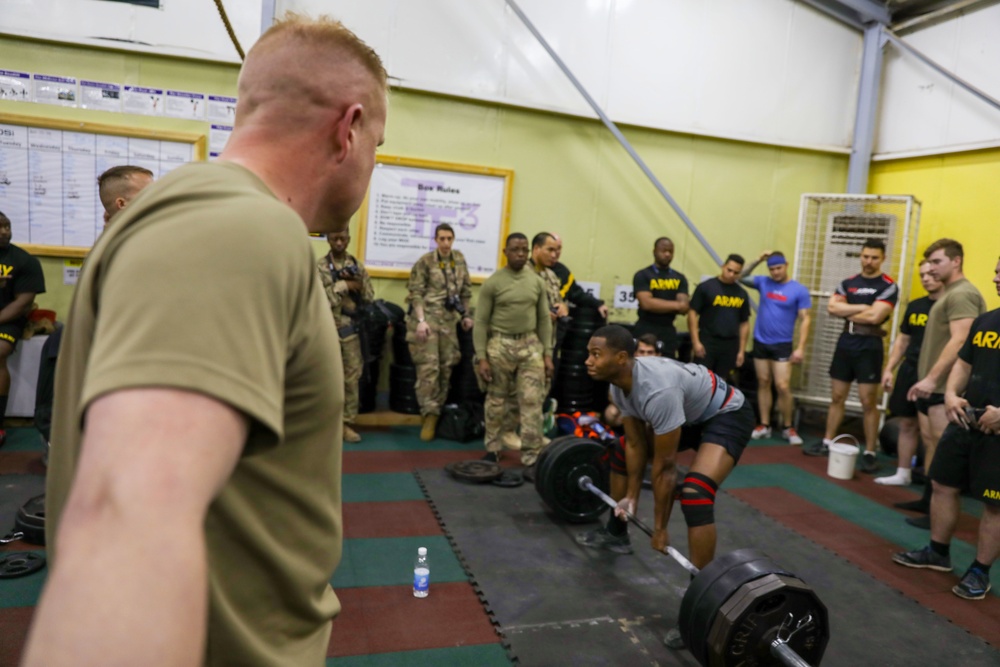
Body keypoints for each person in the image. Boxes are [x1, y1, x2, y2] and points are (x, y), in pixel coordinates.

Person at [24, 14, 388, 667]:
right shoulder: (241, 228)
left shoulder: (220, 219)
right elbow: (127, 524)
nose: (371, 164)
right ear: (349, 127)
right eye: (378, 146)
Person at [580, 324, 754, 648]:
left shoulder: (656, 390)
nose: (587, 360)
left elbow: (664, 468)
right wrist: (630, 499)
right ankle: (616, 532)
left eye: (595, 354)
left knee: (696, 493)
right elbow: (634, 444)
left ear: (620, 358)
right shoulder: (618, 385)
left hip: (726, 413)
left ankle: (700, 604)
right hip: (690, 412)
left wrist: (660, 528)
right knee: (620, 448)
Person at [892, 257, 1000, 601]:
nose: (995, 277)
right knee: (941, 483)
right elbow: (964, 363)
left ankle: (979, 572)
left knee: (995, 505)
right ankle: (937, 552)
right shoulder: (987, 321)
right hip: (966, 418)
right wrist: (952, 394)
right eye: (995, 269)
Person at [900, 239, 986, 527]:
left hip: (943, 388)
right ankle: (929, 503)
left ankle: (937, 514)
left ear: (956, 261)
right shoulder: (949, 294)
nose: (931, 269)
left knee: (941, 450)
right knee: (930, 443)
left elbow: (962, 340)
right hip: (933, 386)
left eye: (937, 262)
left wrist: (933, 378)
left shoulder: (962, 294)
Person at [805, 239, 897, 473]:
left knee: (868, 402)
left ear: (882, 258)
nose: (868, 261)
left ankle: (869, 452)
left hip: (870, 345)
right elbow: (832, 308)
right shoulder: (848, 283)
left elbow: (876, 317)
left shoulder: (888, 286)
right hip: (846, 342)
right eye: (865, 256)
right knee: (837, 396)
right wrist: (865, 308)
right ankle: (827, 441)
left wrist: (852, 309)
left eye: (874, 257)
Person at [474, 233, 554, 470]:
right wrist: (482, 358)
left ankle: (531, 455)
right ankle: (493, 448)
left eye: (524, 250)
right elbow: (480, 322)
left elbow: (543, 319)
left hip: (530, 345)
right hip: (500, 345)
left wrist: (547, 354)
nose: (520, 254)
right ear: (505, 252)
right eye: (515, 249)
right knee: (496, 400)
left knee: (531, 401)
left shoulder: (537, 282)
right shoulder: (494, 283)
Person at [877, 262, 943, 486]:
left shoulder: (948, 307)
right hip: (909, 370)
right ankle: (903, 472)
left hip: (932, 374)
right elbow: (903, 340)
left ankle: (931, 482)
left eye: (930, 274)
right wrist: (889, 369)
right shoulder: (915, 306)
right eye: (922, 275)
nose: (926, 278)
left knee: (928, 432)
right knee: (906, 424)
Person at [406, 223, 473, 441]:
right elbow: (415, 293)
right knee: (429, 368)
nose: (445, 243)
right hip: (428, 319)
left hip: (449, 320)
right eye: (442, 238)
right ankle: (429, 414)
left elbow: (465, 291)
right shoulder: (425, 262)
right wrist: (421, 320)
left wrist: (466, 316)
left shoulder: (460, 260)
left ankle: (437, 408)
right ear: (435, 240)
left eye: (449, 239)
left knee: (447, 366)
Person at [740, 251, 812, 445]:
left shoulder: (798, 290)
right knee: (763, 381)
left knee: (782, 386)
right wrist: (758, 259)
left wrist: (800, 348)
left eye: (778, 268)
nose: (775, 273)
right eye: (771, 269)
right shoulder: (763, 282)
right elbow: (741, 276)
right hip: (761, 341)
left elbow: (805, 319)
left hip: (783, 344)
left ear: (786, 265)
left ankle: (788, 427)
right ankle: (764, 425)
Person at [318, 229, 374, 444]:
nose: (339, 243)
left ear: (349, 239)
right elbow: (315, 299)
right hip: (325, 330)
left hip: (350, 332)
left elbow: (369, 298)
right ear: (329, 240)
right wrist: (340, 287)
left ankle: (346, 424)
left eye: (343, 239)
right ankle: (324, 425)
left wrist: (356, 286)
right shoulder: (319, 267)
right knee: (325, 378)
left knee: (351, 378)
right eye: (335, 239)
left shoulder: (357, 266)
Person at [0, 212, 45, 447]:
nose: (5, 231)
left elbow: (23, 303)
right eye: (0, 227)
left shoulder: (24, 261)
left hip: (7, 319)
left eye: (7, 226)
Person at [687, 254, 750, 381]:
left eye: (736, 272)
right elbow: (692, 313)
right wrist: (696, 342)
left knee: (722, 381)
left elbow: (744, 323)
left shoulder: (741, 293)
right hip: (708, 341)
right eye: (729, 270)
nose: (731, 274)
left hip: (730, 344)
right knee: (700, 379)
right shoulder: (706, 287)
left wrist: (741, 351)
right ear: (723, 266)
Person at [632, 237, 689, 358]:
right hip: (645, 327)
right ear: (654, 251)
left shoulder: (680, 278)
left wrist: (656, 303)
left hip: (668, 330)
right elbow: (646, 304)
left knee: (668, 368)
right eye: (663, 250)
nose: (667, 254)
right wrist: (675, 305)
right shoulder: (643, 275)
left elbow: (684, 307)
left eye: (670, 251)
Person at [549, 232, 608, 319]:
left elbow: (577, 294)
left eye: (559, 248)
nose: (556, 252)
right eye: (551, 249)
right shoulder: (529, 270)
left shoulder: (563, 272)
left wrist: (598, 304)